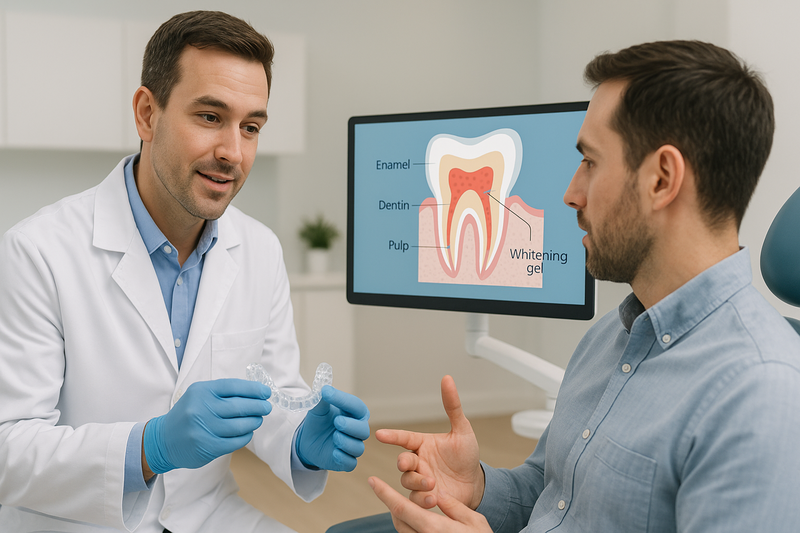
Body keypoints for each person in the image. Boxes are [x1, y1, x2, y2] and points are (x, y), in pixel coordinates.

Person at [369, 40, 800, 532]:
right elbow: (555, 496)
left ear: (662, 179)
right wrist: (479, 488)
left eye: (590, 162)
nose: (571, 194)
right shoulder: (610, 336)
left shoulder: (761, 395)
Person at [0, 11, 369, 533]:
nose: (233, 152)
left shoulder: (259, 250)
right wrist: (147, 447)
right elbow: (8, 449)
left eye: (251, 127)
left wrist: (301, 440)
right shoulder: (37, 252)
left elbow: (271, 396)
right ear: (147, 114)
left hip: (209, 516)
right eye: (210, 117)